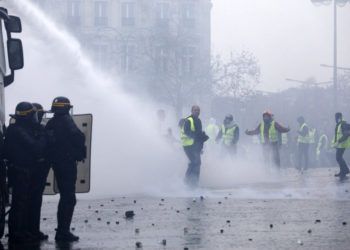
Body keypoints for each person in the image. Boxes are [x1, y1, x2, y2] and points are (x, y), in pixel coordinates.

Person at [4, 102, 47, 244]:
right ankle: (16, 233)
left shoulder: (18, 128)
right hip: (20, 171)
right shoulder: (17, 130)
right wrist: (43, 136)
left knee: (24, 202)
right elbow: (36, 147)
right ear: (28, 116)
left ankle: (23, 231)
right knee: (19, 203)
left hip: (23, 170)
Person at [45, 97, 86, 242]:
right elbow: (78, 136)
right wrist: (79, 151)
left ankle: (62, 231)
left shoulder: (51, 122)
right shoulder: (66, 120)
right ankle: (63, 232)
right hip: (66, 163)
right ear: (66, 108)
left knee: (65, 197)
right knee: (68, 198)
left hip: (57, 163)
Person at [27, 103, 51, 241]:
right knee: (34, 202)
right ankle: (33, 231)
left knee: (25, 202)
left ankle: (24, 230)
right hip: (37, 171)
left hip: (28, 170)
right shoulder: (40, 130)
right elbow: (41, 148)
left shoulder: (21, 128)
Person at [180, 105, 208, 187]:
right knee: (195, 162)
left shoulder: (198, 121)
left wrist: (201, 146)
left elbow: (199, 135)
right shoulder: (189, 120)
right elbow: (187, 131)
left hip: (195, 146)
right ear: (192, 111)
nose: (197, 112)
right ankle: (190, 183)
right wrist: (197, 136)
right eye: (195, 110)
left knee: (195, 163)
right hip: (188, 146)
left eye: (198, 110)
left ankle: (191, 183)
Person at [332, 112, 350, 180]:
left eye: (336, 117)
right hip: (340, 144)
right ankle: (343, 171)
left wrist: (339, 141)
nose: (335, 119)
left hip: (342, 144)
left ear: (339, 117)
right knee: (339, 157)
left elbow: (346, 134)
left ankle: (345, 170)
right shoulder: (339, 124)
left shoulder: (343, 124)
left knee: (338, 157)